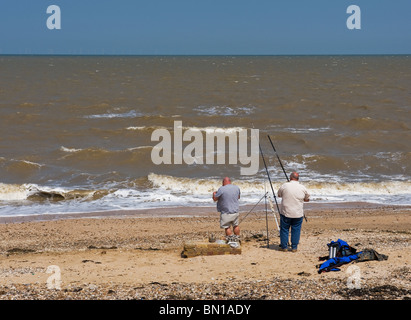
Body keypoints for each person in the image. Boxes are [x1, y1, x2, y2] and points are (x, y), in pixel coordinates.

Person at [277, 172, 310, 252]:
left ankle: (284, 247)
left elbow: (279, 195)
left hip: (286, 212)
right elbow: (307, 198)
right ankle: (294, 247)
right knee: (296, 230)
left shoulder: (285, 185)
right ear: (298, 178)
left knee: (284, 229)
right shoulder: (302, 187)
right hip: (298, 213)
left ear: (290, 177)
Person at [212, 177, 241, 242]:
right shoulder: (236, 188)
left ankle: (231, 241)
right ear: (230, 181)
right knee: (236, 225)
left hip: (226, 212)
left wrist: (214, 194)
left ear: (224, 182)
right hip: (235, 211)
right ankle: (238, 239)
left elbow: (215, 199)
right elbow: (238, 197)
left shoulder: (222, 189)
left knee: (227, 227)